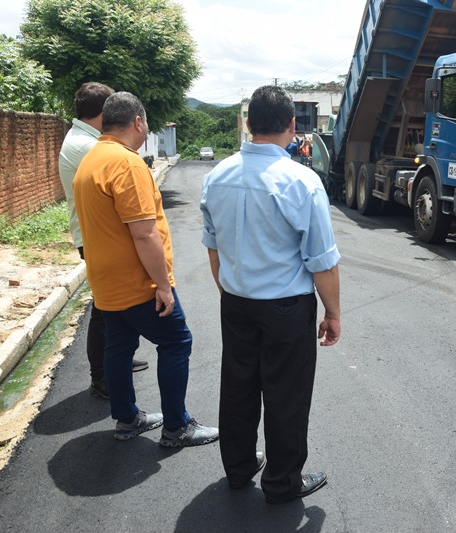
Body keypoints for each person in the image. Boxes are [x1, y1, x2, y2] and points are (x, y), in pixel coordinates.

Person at [200, 85, 341, 504]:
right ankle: (282, 482)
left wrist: (228, 289)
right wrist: (333, 313)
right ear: (292, 125)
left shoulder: (217, 176)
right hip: (285, 307)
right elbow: (322, 261)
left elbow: (213, 247)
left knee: (238, 386)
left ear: (248, 123)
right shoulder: (302, 181)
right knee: (286, 394)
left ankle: (239, 467)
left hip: (236, 302)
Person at [73, 92, 218, 446]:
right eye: (147, 122)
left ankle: (127, 419)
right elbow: (144, 233)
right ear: (137, 121)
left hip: (105, 280)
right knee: (176, 341)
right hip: (137, 283)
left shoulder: (91, 160)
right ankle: (177, 427)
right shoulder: (127, 163)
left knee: (119, 347)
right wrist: (163, 286)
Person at [58, 82, 148, 401]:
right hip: (97, 236)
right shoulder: (88, 146)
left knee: (114, 303)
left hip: (95, 234)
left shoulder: (85, 139)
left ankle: (116, 360)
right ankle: (101, 376)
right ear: (102, 112)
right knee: (104, 307)